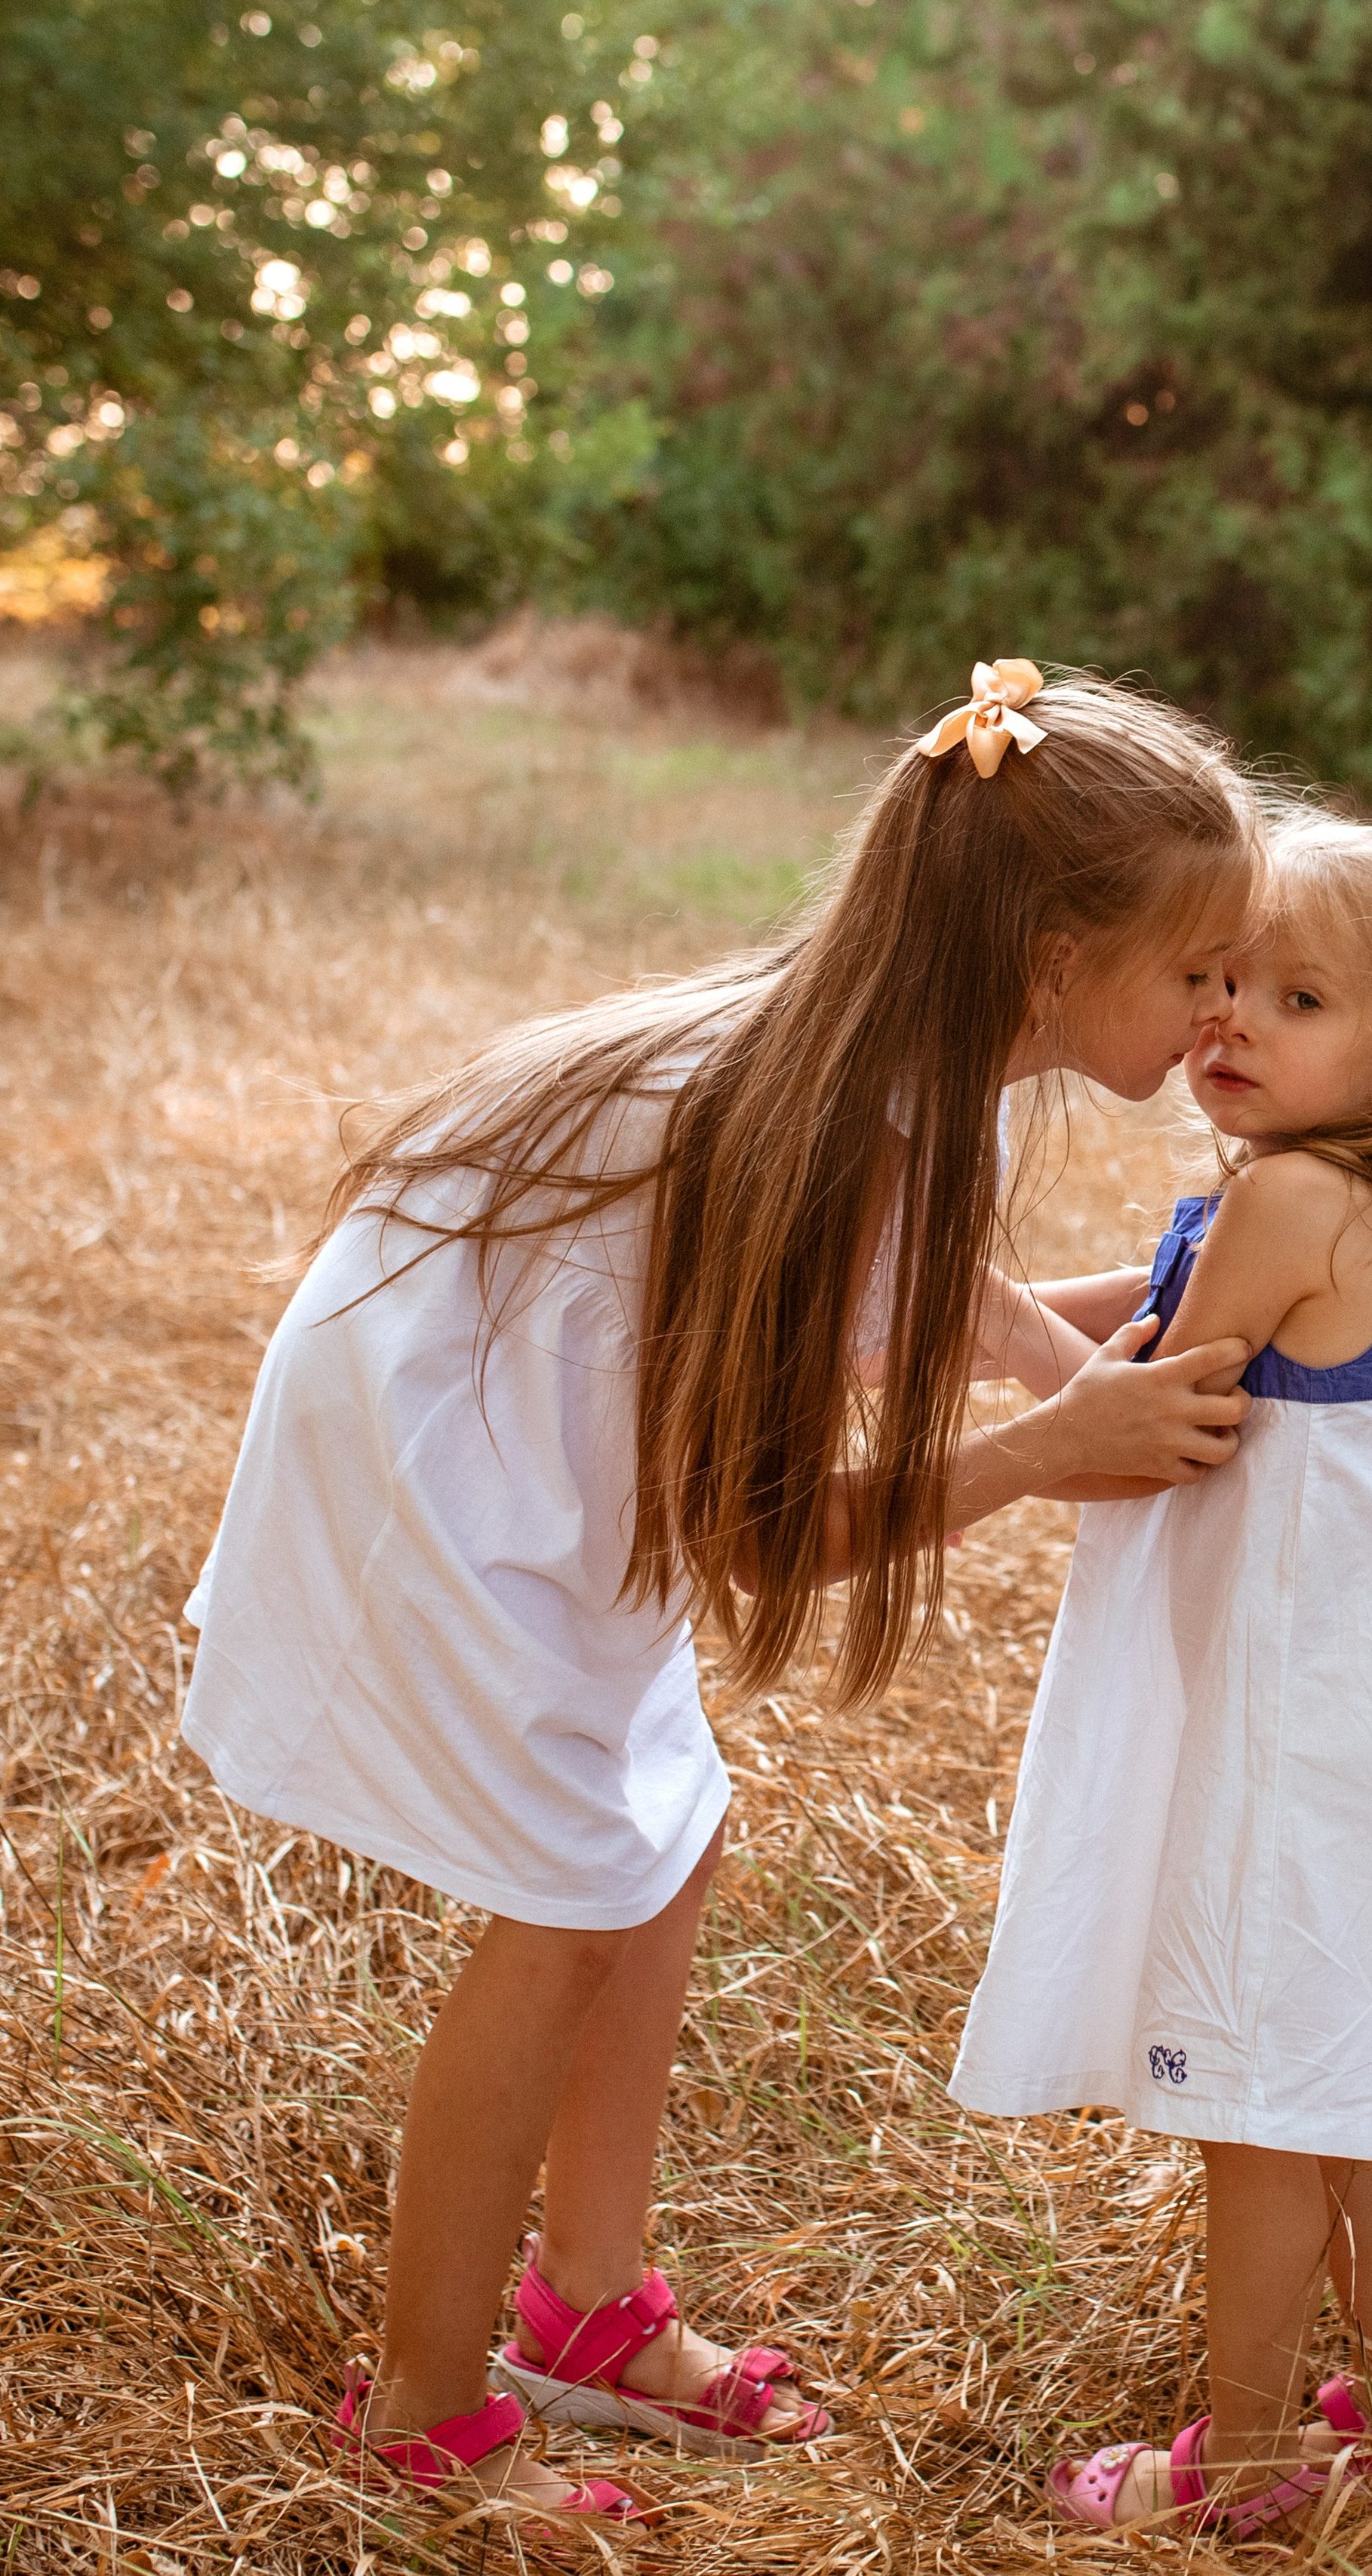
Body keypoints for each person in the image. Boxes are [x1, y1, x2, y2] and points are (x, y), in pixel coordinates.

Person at [178, 662, 1260, 2531]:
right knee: (568, 1891)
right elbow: (764, 1535)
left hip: (549, 1434)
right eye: (1199, 969)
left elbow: (947, 1303)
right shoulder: (821, 1116)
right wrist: (1038, 1454)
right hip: (439, 1472)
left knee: (660, 1837)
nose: (1223, 1005)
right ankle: (426, 2411)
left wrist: (1127, 1332)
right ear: (1052, 962)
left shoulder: (925, 1072)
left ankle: (586, 2311)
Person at [949, 804, 1372, 2541]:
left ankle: (1236, 2463)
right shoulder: (1346, 1200)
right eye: (1219, 977)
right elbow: (1139, 1325)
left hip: (1298, 1734)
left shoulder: (1291, 1197)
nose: (1226, 1016)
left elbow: (1152, 1394)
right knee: (1349, 2069)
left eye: (1292, 998)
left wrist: (994, 1335)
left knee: (1262, 2104)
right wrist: (989, 1304)